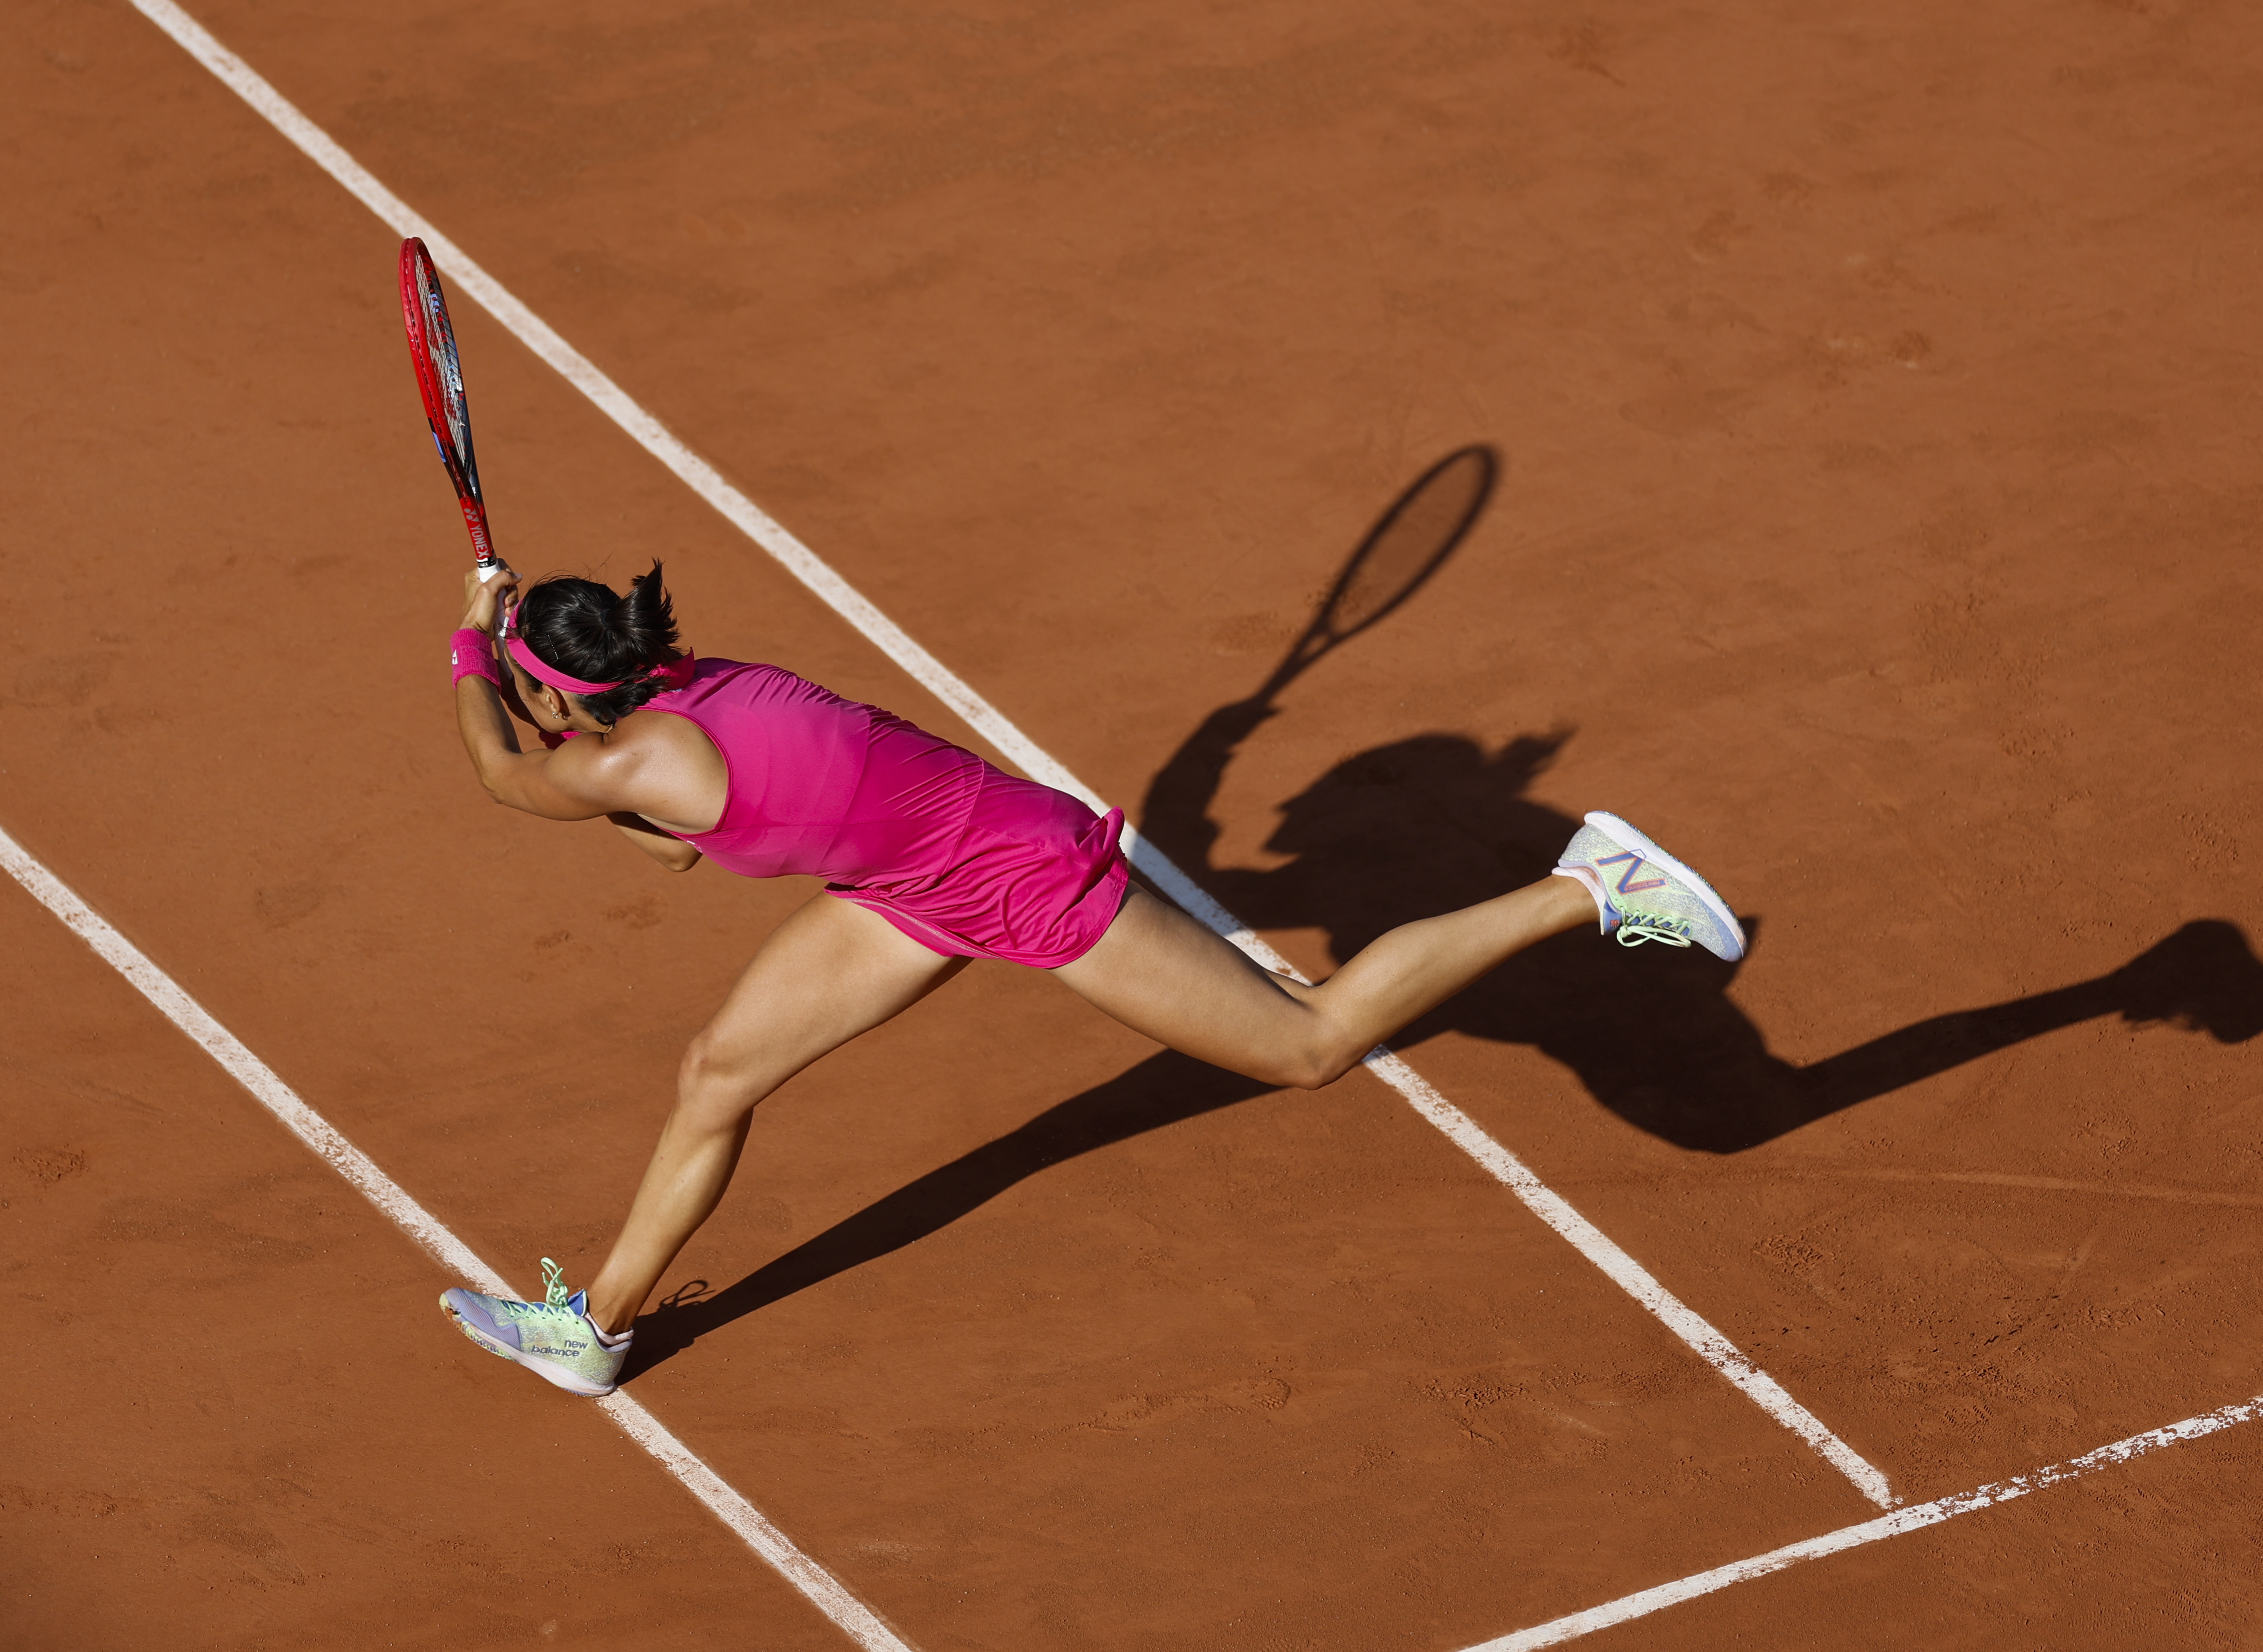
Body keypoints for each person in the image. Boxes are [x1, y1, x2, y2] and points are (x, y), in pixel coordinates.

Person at [435, 562, 1745, 1396]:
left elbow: (508, 776)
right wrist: (525, 665)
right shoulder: (695, 690)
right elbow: (672, 836)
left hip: (1022, 880)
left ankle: (1590, 885)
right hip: (912, 887)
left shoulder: (622, 765)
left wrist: (462, 651)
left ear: (569, 701)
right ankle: (594, 1330)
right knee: (719, 1073)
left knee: (1305, 1046)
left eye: (542, 698)